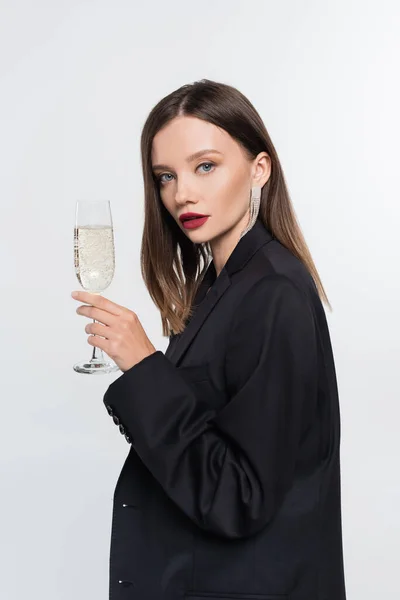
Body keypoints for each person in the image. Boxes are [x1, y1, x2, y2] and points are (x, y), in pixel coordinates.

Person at [72, 79, 347, 600]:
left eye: (205, 166)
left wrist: (145, 366)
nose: (182, 194)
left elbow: (240, 496)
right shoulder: (220, 288)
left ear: (258, 169)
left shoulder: (274, 295)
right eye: (166, 176)